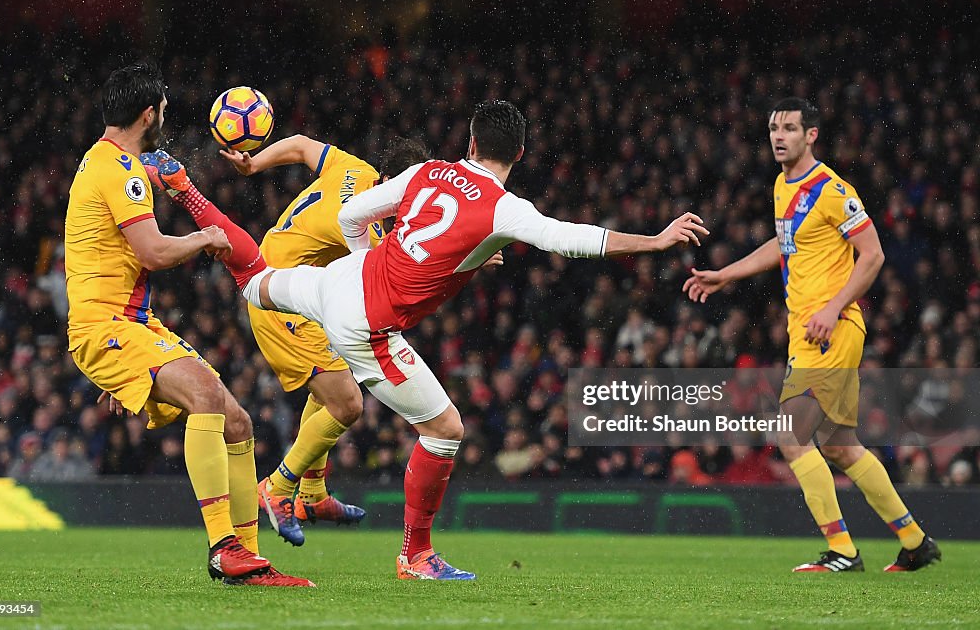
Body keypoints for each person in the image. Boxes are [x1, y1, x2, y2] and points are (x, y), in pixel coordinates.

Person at [147, 100, 706, 580]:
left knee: (255, 282)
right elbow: (575, 240)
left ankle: (184, 191)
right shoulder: (503, 208)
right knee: (444, 431)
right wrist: (655, 242)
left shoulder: (429, 171)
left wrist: (369, 261)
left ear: (469, 140)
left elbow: (352, 213)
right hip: (365, 323)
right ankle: (415, 555)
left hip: (336, 281)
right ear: (519, 156)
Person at [64, 60, 311, 587]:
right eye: (164, 112)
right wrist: (205, 238)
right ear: (148, 114)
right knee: (204, 395)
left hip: (131, 324)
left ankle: (247, 559)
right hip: (108, 325)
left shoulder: (104, 161)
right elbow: (152, 251)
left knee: (237, 420)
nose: (165, 120)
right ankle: (224, 547)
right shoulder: (120, 171)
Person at [683, 97, 940, 573]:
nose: (779, 136)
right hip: (810, 330)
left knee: (790, 432)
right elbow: (784, 245)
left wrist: (833, 307)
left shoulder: (831, 189)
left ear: (811, 135)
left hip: (831, 329)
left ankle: (842, 550)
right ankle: (915, 541)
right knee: (841, 445)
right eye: (773, 128)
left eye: (789, 129)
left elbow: (874, 255)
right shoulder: (785, 186)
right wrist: (727, 274)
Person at [148, 133, 431, 548]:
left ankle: (312, 496)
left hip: (298, 289)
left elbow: (300, 144)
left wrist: (253, 164)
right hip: (279, 297)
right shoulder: (365, 227)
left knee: (338, 377)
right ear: (391, 181)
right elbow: (396, 277)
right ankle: (278, 488)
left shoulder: (356, 170)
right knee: (348, 403)